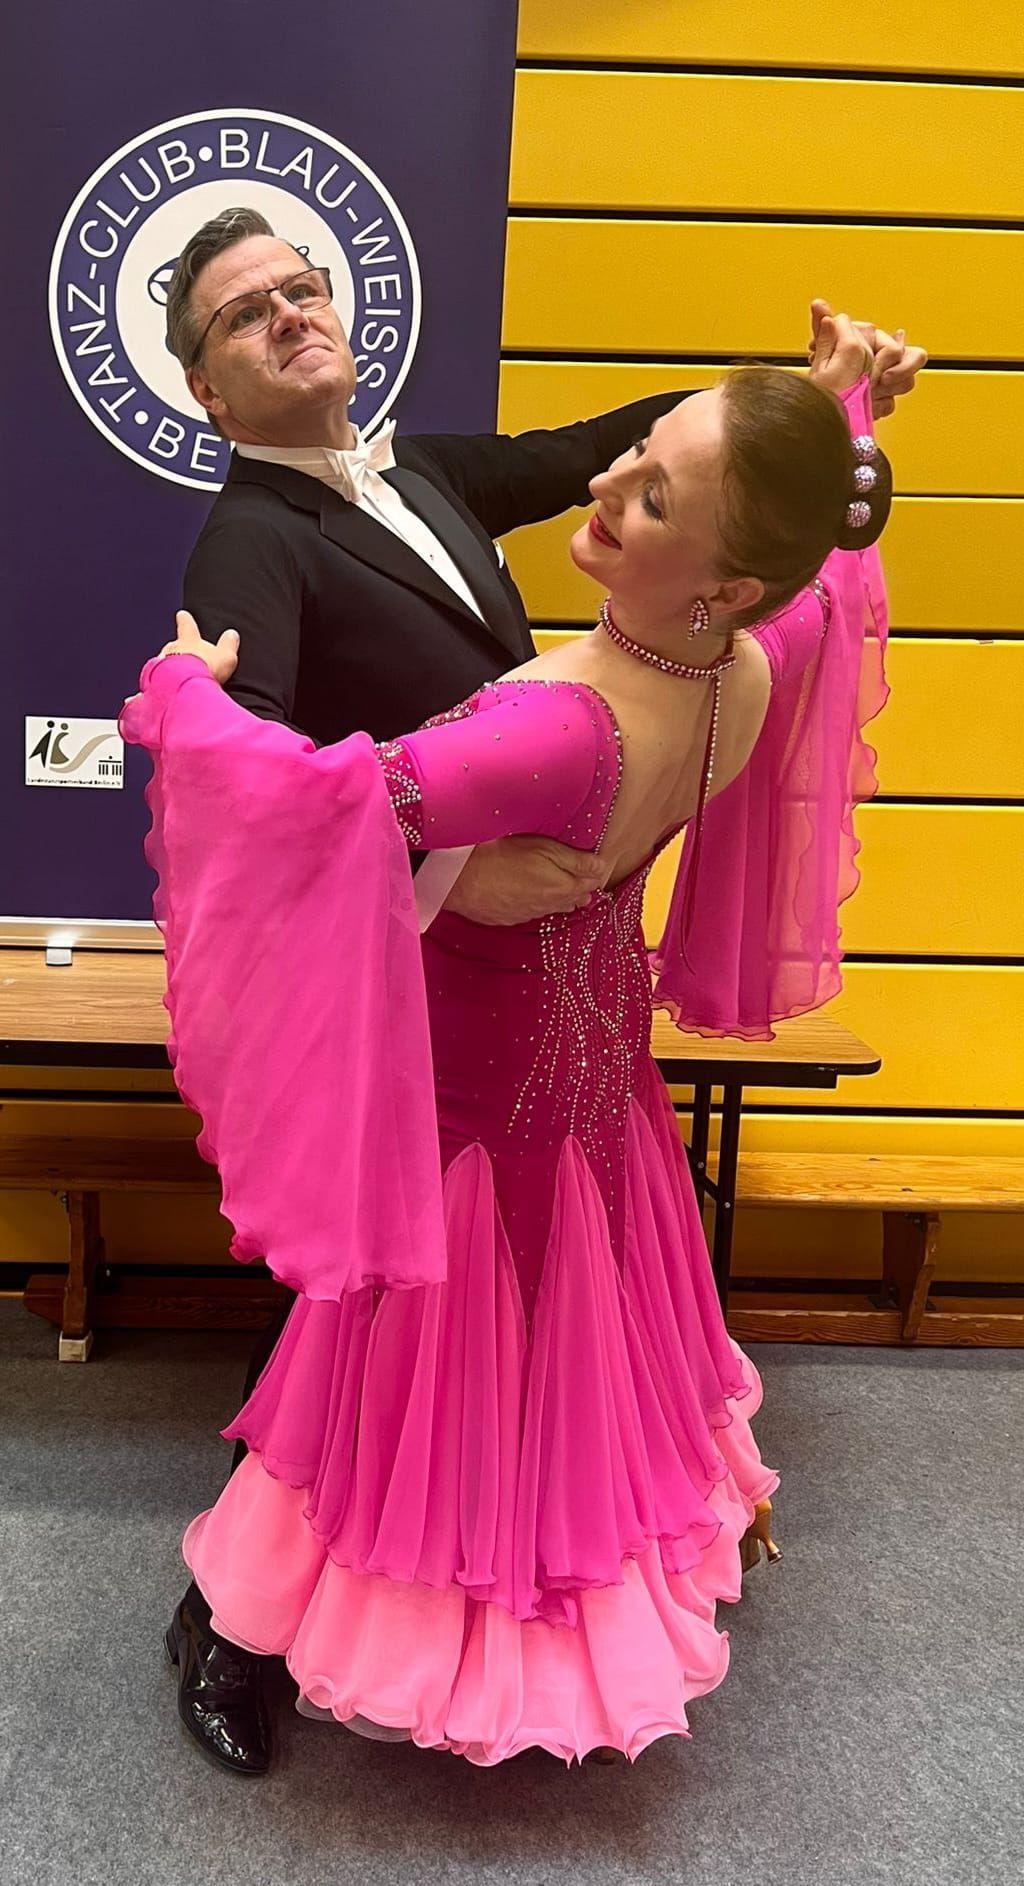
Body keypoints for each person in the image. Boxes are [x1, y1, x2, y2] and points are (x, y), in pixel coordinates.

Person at [159, 204, 923, 1774]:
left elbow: (595, 447)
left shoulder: (435, 469)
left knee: (444, 1321)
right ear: (210, 392)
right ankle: (231, 1622)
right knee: (357, 1321)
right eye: (245, 313)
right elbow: (288, 796)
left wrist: (798, 418)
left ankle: (411, 1576)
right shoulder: (250, 541)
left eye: (302, 285)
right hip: (429, 998)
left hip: (543, 984)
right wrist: (432, 860)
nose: (291, 311)